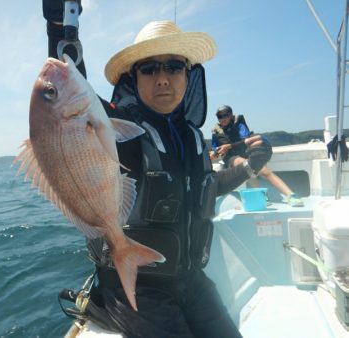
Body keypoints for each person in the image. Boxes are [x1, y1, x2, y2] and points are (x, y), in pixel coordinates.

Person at [44, 3, 272, 337]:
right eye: (149, 69)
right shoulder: (119, 127)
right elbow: (68, 93)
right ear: (133, 78)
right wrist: (60, 27)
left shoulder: (192, 136)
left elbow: (205, 187)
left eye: (174, 67)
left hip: (192, 280)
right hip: (136, 288)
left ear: (188, 74)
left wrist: (250, 167)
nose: (163, 78)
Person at [211, 105, 304, 207]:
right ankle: (262, 196)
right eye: (220, 116)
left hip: (245, 152)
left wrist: (229, 146)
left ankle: (291, 195)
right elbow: (215, 149)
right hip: (231, 158)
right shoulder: (216, 132)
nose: (223, 119)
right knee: (246, 166)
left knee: (264, 171)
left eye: (225, 115)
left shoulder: (239, 125)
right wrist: (216, 152)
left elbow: (246, 141)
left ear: (231, 115)